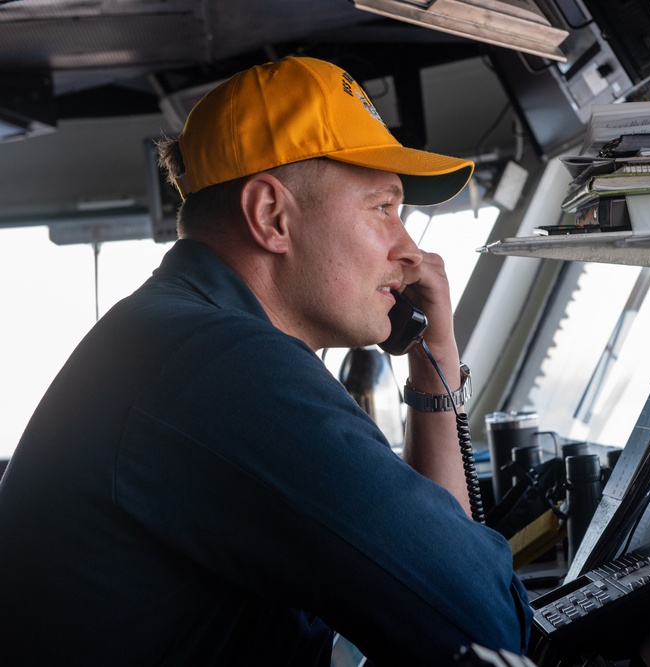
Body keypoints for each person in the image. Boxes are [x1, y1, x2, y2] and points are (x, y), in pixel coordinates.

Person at [0, 56, 532, 666]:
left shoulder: (178, 332)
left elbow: (450, 604)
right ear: (271, 217)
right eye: (384, 209)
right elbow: (483, 624)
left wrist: (433, 359)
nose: (411, 251)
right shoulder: (220, 365)